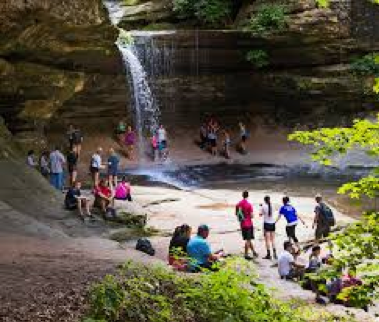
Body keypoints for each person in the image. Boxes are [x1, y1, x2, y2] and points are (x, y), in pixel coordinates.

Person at [236, 191, 258, 260]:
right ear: (248, 196)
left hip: (242, 224)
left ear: (242, 195)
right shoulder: (249, 204)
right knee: (248, 240)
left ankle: (254, 252)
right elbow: (251, 216)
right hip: (248, 224)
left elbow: (237, 213)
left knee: (248, 239)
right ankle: (246, 254)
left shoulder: (238, 204)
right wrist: (251, 215)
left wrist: (242, 217)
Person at [260, 196, 277, 260]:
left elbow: (260, 214)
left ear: (264, 200)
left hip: (266, 224)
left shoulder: (263, 206)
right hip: (272, 224)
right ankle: (275, 254)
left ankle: (268, 254)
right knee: (273, 240)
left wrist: (261, 207)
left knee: (267, 240)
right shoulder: (273, 205)